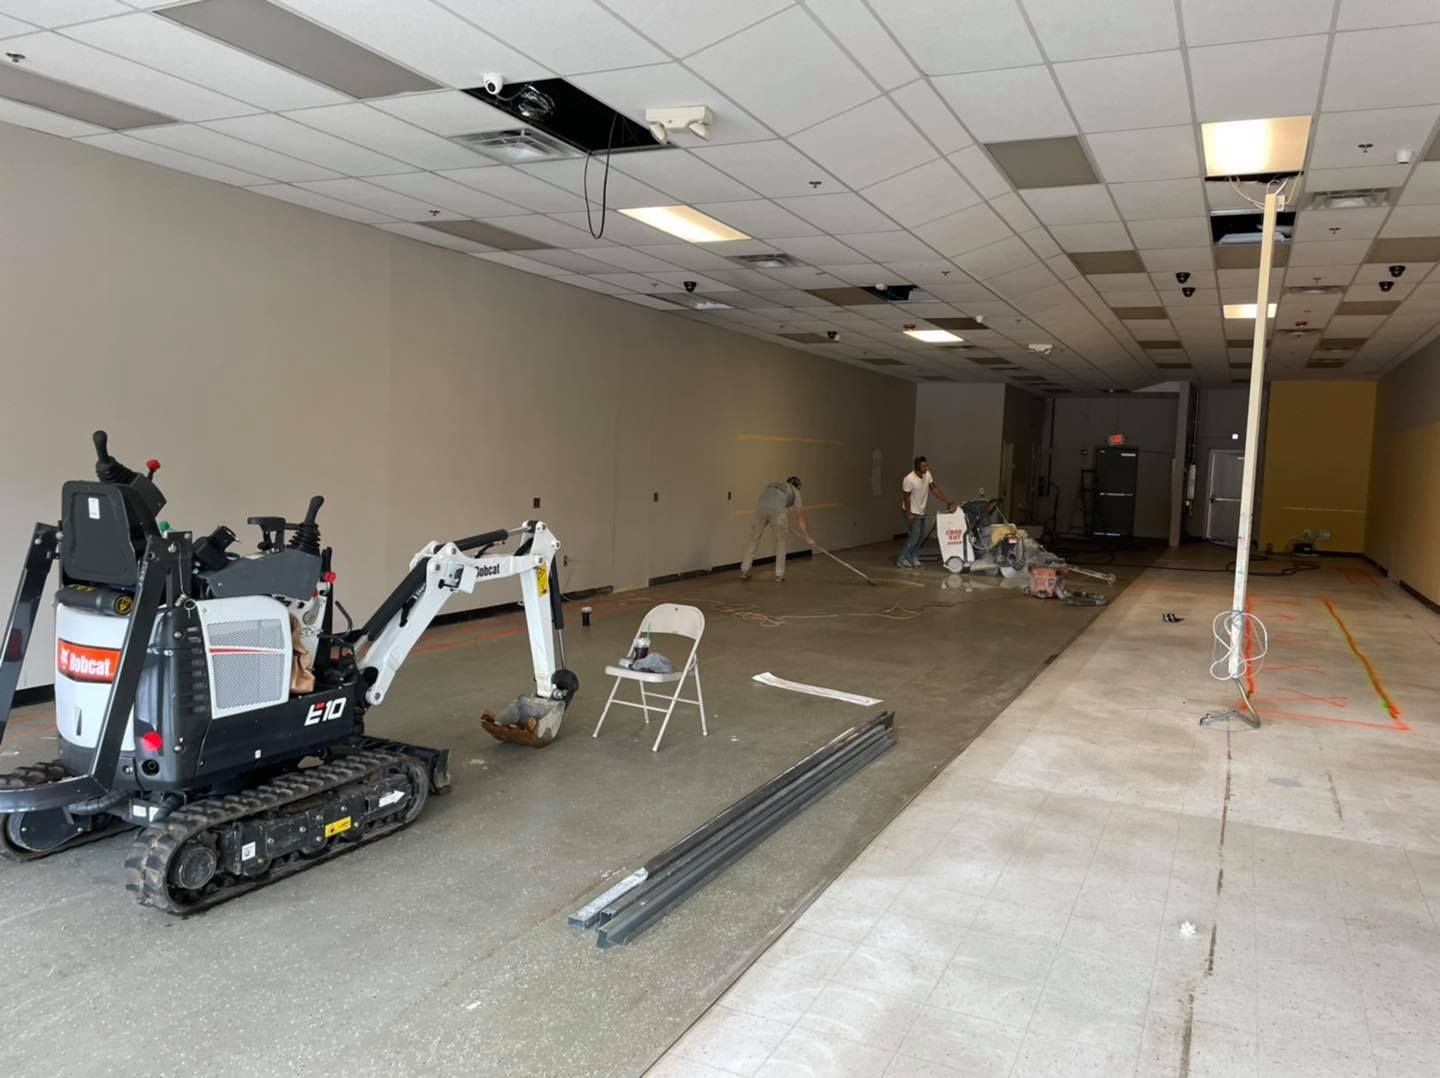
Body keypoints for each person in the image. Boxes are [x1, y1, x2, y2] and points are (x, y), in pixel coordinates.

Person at [740, 476, 814, 582]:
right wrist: (808, 537)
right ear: (797, 486)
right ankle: (779, 574)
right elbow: (800, 517)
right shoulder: (795, 491)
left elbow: (769, 500)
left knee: (754, 539)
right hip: (778, 512)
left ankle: (744, 570)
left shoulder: (774, 484)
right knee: (781, 541)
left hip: (761, 509)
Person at [898, 456, 955, 568]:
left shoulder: (927, 474)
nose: (927, 467)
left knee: (922, 536)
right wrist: (909, 513)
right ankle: (902, 558)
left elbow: (933, 488)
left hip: (921, 510)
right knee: (915, 536)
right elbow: (906, 498)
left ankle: (913, 557)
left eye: (927, 465)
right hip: (911, 511)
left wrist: (946, 500)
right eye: (924, 466)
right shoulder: (909, 479)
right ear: (917, 467)